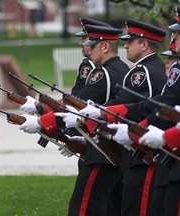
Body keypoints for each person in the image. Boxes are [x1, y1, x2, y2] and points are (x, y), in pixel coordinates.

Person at [76, 8, 180, 215]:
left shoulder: (157, 71)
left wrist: (133, 132)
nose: (174, 37)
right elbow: (153, 105)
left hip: (154, 154)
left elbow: (160, 109)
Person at [58, 20, 167, 216]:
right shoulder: (148, 68)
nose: (125, 45)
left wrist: (87, 118)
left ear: (143, 45)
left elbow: (129, 105)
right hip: (129, 148)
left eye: (131, 41)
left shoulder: (142, 72)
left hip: (139, 151)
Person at [20, 23, 129, 215]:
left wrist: (39, 120)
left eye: (91, 43)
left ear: (105, 47)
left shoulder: (102, 72)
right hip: (115, 149)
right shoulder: (122, 69)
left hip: (100, 150)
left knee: (84, 207)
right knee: (112, 207)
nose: (86, 46)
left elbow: (74, 108)